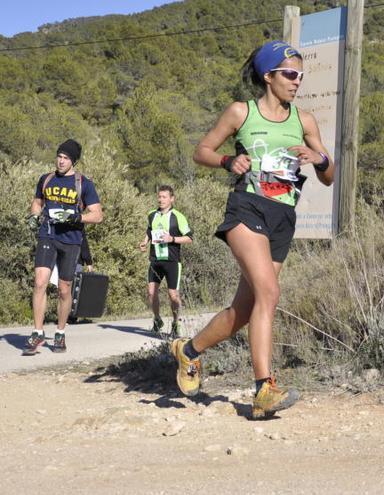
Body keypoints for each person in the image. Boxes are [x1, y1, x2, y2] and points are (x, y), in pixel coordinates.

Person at [170, 41, 335, 419]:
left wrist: (320, 158)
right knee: (270, 293)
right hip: (246, 207)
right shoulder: (241, 112)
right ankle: (264, 389)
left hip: (282, 216)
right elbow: (203, 151)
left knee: (245, 310)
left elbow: (329, 177)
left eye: (301, 76)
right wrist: (229, 160)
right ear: (269, 76)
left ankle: (189, 351)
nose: (297, 82)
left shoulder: (304, 120)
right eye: (290, 74)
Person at [24, 139, 103, 355]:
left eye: (66, 158)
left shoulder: (83, 184)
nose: (61, 161)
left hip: (71, 239)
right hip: (47, 235)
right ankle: (37, 332)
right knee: (40, 282)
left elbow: (98, 215)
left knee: (64, 289)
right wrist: (34, 216)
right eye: (59, 156)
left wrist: (76, 216)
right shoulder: (46, 179)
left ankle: (59, 333)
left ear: (73, 161)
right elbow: (37, 202)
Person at [139, 185, 193, 337]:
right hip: (155, 260)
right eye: (159, 197)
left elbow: (189, 237)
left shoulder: (178, 216)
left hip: (172, 261)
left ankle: (176, 323)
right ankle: (157, 320)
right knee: (151, 292)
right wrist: (144, 242)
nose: (161, 200)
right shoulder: (151, 215)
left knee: (173, 295)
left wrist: (172, 239)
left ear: (171, 199)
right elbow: (149, 230)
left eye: (164, 197)